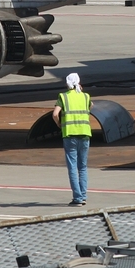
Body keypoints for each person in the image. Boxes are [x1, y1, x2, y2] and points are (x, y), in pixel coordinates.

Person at [53, 72, 92, 206]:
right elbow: (91, 106)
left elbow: (55, 114)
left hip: (69, 134)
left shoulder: (63, 97)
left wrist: (59, 124)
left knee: (72, 167)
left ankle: (77, 198)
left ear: (67, 83)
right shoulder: (86, 96)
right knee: (83, 167)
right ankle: (84, 195)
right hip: (85, 134)